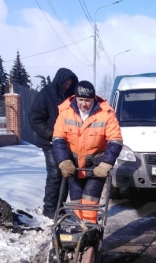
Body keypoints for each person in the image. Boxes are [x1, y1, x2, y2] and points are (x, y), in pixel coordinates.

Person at [52, 81, 123, 223]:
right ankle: (79, 234)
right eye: (81, 100)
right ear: (75, 98)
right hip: (74, 165)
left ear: (94, 99)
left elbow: (115, 140)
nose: (83, 104)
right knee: (76, 202)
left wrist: (106, 163)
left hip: (95, 167)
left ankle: (90, 239)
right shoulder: (65, 112)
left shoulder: (106, 113)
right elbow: (58, 138)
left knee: (89, 202)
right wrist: (64, 161)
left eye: (87, 100)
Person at [29, 68, 78, 218]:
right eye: (65, 83)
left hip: (67, 142)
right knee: (55, 173)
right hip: (49, 142)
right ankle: (49, 209)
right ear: (59, 80)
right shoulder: (45, 95)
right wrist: (52, 134)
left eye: (70, 83)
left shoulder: (71, 97)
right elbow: (34, 119)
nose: (67, 86)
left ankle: (60, 206)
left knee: (66, 173)